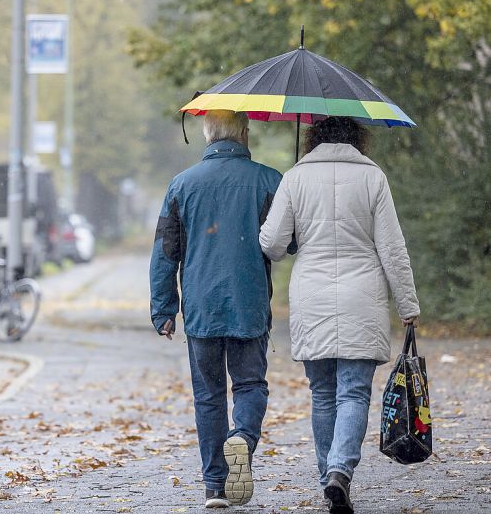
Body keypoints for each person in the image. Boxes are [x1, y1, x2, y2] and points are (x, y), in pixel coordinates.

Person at [259, 116, 419, 514]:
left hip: (312, 293)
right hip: (361, 294)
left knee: (324, 393)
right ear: (357, 139)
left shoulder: (295, 177)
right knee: (353, 392)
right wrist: (408, 304)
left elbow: (274, 245)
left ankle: (326, 476)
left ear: (313, 138)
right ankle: (339, 472)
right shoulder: (373, 178)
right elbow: (392, 248)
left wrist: (287, 229)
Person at [150, 110, 286, 508]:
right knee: (249, 384)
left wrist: (163, 309)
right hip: (249, 302)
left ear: (208, 135)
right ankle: (242, 436)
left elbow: (165, 253)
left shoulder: (181, 185)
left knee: (208, 395)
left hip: (201, 305)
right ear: (244, 134)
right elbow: (286, 243)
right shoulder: (268, 180)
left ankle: (215, 487)